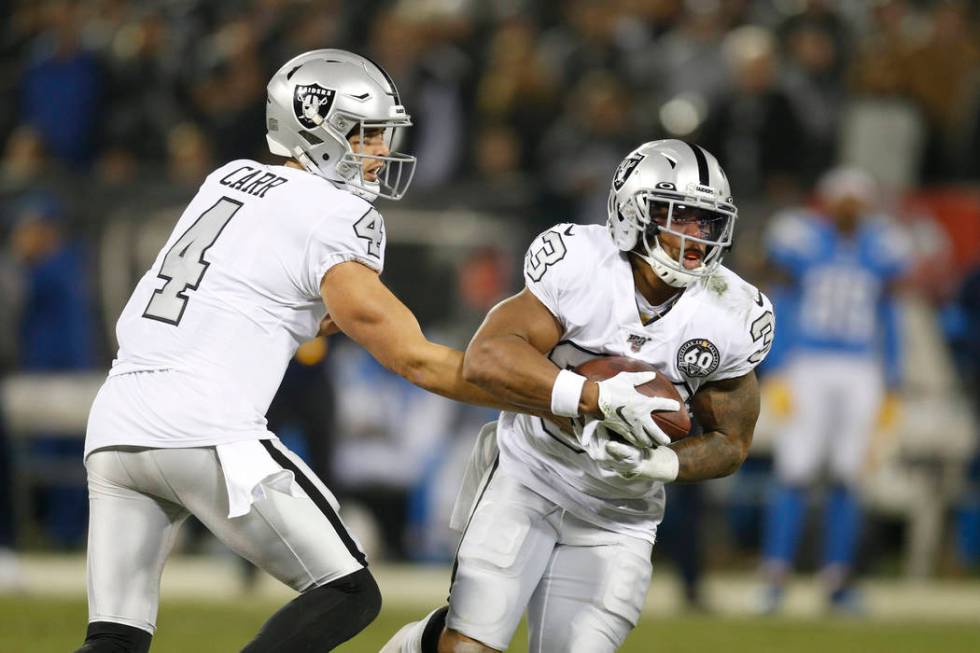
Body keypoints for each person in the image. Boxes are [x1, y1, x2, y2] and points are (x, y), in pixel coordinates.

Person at [72, 49, 664, 653]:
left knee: (115, 637)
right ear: (316, 129)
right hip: (204, 429)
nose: (380, 149)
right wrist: (569, 395)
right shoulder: (335, 214)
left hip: (115, 423)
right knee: (348, 592)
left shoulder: (227, 179)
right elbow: (417, 359)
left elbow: (238, 294)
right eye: (366, 133)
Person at [383, 139, 775, 653]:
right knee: (472, 645)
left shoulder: (733, 313)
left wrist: (663, 464)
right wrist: (594, 396)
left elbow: (732, 441)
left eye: (707, 221)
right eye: (678, 216)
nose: (695, 236)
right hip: (530, 475)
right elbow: (487, 357)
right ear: (633, 211)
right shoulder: (582, 261)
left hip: (620, 514)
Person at [758, 166, 907, 613]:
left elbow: (890, 313)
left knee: (848, 475)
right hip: (810, 363)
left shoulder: (881, 246)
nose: (848, 209)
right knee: (795, 471)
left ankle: (838, 579)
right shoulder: (803, 239)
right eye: (841, 200)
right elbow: (781, 297)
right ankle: (775, 577)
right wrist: (777, 365)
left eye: (855, 201)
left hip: (860, 367)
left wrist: (892, 376)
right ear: (827, 202)